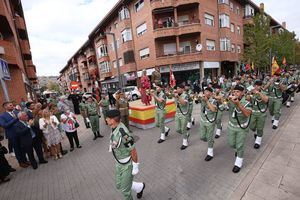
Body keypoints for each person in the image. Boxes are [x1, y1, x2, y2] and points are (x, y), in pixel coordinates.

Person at [106, 110, 145, 200]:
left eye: (107, 118)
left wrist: (135, 165)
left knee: (124, 190)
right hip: (119, 162)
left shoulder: (123, 134)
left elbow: (133, 150)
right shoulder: (114, 127)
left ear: (112, 120)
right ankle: (139, 187)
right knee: (119, 184)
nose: (106, 119)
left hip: (127, 164)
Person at [227, 85, 252, 173]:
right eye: (234, 91)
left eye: (237, 91)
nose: (235, 93)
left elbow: (248, 114)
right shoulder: (231, 100)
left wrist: (238, 104)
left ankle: (238, 163)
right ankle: (237, 150)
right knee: (231, 143)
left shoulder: (247, 102)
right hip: (231, 126)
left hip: (242, 127)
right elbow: (223, 105)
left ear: (242, 93)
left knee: (240, 145)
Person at [0, 101, 28, 168]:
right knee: (17, 149)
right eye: (10, 105)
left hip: (20, 133)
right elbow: (4, 125)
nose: (12, 106)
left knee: (23, 147)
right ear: (5, 107)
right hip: (12, 135)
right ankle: (21, 162)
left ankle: (25, 160)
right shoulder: (2, 116)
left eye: (12, 105)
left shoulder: (16, 112)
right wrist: (15, 120)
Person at [198, 87, 218, 161]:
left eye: (207, 91)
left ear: (211, 93)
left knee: (209, 137)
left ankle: (210, 152)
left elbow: (213, 109)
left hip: (210, 121)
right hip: (203, 120)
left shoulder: (214, 101)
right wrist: (199, 95)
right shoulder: (203, 98)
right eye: (205, 91)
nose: (205, 93)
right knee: (202, 137)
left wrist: (207, 101)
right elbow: (196, 99)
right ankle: (210, 141)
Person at [249, 80, 269, 149]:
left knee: (260, 128)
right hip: (253, 112)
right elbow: (248, 99)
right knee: (251, 126)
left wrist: (259, 93)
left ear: (261, 86)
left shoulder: (263, 92)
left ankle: (258, 141)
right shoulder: (252, 92)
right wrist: (249, 93)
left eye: (258, 86)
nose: (256, 87)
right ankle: (256, 132)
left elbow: (266, 100)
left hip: (261, 113)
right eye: (255, 85)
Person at [174, 84, 189, 150]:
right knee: (177, 129)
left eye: (178, 88)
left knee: (183, 128)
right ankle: (186, 134)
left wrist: (178, 97)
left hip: (184, 114)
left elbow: (184, 103)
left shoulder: (185, 95)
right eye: (177, 88)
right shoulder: (175, 94)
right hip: (177, 113)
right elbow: (168, 95)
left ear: (182, 89)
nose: (177, 89)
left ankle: (185, 142)